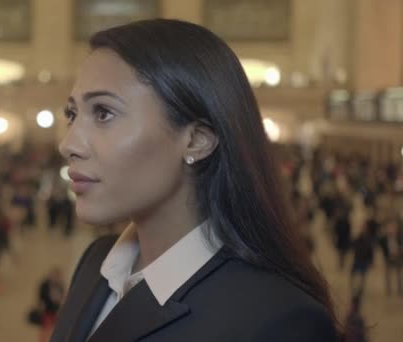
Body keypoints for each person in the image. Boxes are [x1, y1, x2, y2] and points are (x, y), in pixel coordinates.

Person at [51, 19, 340, 342]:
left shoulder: (276, 321)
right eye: (72, 114)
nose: (68, 144)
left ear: (197, 140)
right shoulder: (97, 263)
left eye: (104, 113)